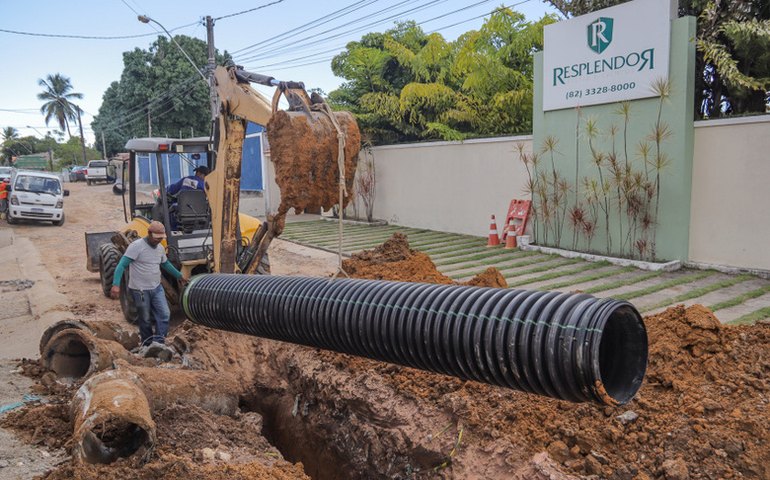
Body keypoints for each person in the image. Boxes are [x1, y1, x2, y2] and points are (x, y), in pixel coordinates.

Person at [110, 221, 188, 346]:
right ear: (149, 234)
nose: (158, 240)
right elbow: (122, 265)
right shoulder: (136, 246)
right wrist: (116, 284)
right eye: (156, 238)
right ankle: (146, 344)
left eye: (161, 238)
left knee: (164, 314)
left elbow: (165, 264)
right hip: (140, 290)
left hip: (157, 288)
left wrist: (179, 276)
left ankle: (158, 344)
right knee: (145, 319)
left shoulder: (160, 248)